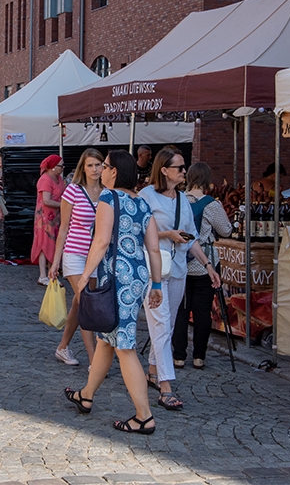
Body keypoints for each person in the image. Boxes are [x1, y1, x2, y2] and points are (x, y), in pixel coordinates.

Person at [63, 150, 163, 435]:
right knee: (107, 338)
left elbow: (102, 240)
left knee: (125, 346)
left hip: (116, 277)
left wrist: (84, 276)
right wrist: (155, 284)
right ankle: (86, 395)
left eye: (105, 166)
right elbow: (154, 248)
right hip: (137, 277)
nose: (101, 171)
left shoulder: (108, 198)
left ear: (114, 171)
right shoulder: (141, 202)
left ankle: (144, 416)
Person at [139, 149, 220, 410]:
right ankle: (165, 386)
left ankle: (152, 370)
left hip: (177, 269)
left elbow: (191, 237)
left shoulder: (183, 199)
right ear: (164, 170)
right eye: (179, 167)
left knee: (169, 324)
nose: (184, 171)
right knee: (161, 324)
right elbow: (138, 233)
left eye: (184, 167)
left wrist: (208, 265)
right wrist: (166, 235)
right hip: (154, 271)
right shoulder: (146, 197)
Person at [171, 161, 231, 369]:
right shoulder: (212, 204)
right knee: (202, 312)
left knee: (180, 310)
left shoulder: (178, 200)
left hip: (180, 260)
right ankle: (199, 356)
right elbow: (226, 230)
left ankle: (178, 355)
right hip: (204, 262)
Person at [49, 148, 103, 368]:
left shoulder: (107, 192)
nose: (94, 169)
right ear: (83, 167)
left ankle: (62, 347)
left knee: (79, 304)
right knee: (87, 304)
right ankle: (95, 360)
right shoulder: (73, 191)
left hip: (97, 255)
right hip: (75, 253)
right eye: (90, 165)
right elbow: (63, 229)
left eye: (98, 165)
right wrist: (55, 262)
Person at [31, 154, 65, 286]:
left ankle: (53, 273)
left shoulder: (58, 179)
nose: (62, 168)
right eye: (60, 166)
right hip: (45, 218)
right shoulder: (45, 179)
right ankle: (43, 275)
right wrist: (63, 205)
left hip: (56, 217)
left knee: (55, 244)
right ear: (52, 167)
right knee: (44, 245)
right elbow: (46, 200)